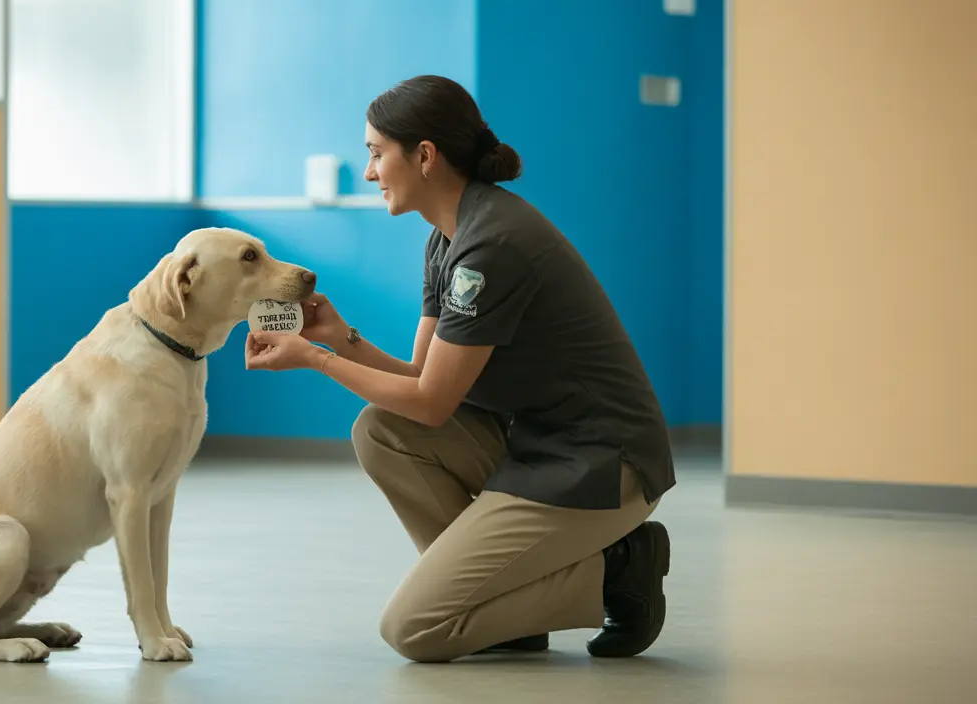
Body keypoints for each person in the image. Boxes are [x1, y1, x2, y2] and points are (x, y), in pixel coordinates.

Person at [243, 75, 676, 663]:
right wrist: (338, 338)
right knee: (382, 429)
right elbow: (422, 375)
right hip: (539, 442)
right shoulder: (446, 239)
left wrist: (315, 360)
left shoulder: (490, 245)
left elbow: (431, 402)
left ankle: (619, 568)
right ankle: (507, 618)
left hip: (601, 461)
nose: (369, 173)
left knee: (414, 630)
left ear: (424, 156)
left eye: (375, 154)